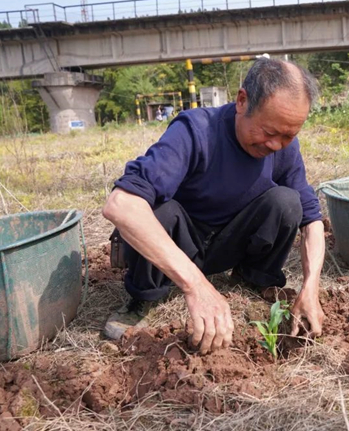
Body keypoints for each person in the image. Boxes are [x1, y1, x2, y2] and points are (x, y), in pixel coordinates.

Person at [102, 59, 325, 354]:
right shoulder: (196, 130)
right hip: (178, 246)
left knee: (287, 201)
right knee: (157, 210)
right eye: (269, 132)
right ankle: (143, 298)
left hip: (228, 243)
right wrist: (196, 285)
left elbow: (312, 219)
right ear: (242, 102)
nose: (276, 144)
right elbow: (121, 205)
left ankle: (252, 278)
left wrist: (311, 286)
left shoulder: (284, 147)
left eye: (289, 135)